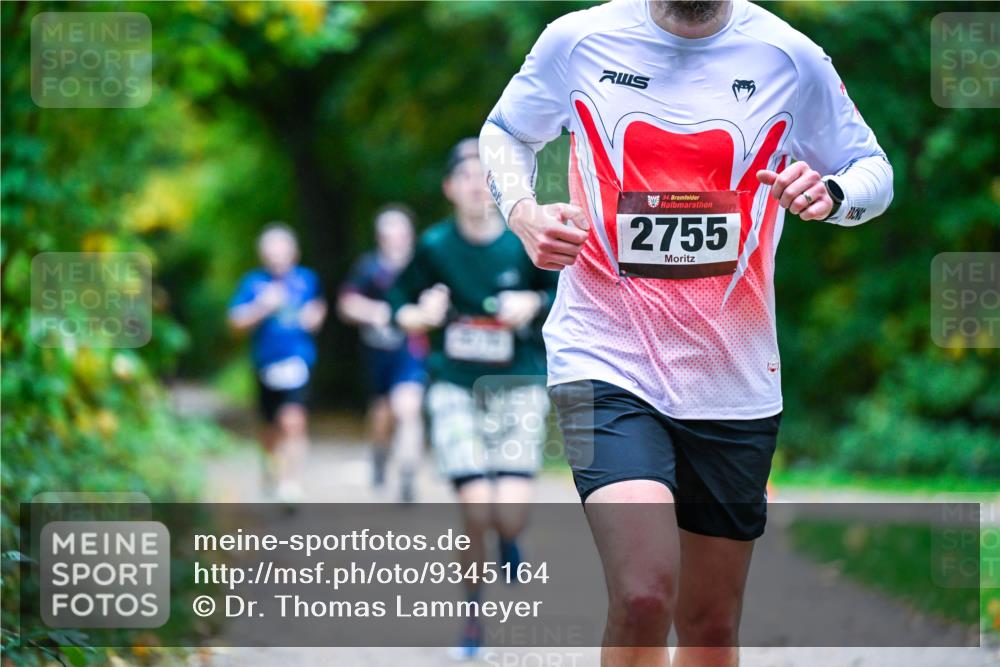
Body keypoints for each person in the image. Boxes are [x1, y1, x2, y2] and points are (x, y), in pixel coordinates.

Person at [480, 1, 893, 665]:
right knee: (643, 595)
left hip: (733, 377)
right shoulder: (579, 40)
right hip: (601, 356)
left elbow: (874, 170)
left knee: (710, 623)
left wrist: (834, 194)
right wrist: (523, 212)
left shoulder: (788, 57)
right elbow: (504, 133)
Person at [387, 138, 558, 659]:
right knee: (475, 506)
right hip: (455, 386)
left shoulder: (523, 242)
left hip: (517, 384)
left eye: (487, 176)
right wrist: (421, 314)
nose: (477, 187)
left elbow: (564, 297)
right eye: (465, 176)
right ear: (449, 188)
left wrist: (532, 301)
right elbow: (398, 305)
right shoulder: (435, 247)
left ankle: (510, 539)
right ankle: (473, 619)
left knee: (508, 514)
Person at [228, 224, 327, 504]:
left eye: (282, 250)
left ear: (294, 252)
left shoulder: (307, 280)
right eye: (271, 251)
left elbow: (318, 307)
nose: (276, 257)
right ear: (263, 255)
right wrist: (262, 306)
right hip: (265, 363)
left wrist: (314, 317)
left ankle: (291, 483)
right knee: (270, 428)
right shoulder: (253, 283)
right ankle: (270, 468)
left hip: (298, 360)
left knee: (294, 420)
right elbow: (235, 322)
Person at [338, 204, 428, 503]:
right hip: (377, 352)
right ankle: (379, 456)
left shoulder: (422, 265)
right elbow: (346, 304)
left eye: (401, 233)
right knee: (382, 415)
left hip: (411, 349)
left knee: (408, 407)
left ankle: (408, 474)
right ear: (380, 237)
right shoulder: (368, 267)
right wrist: (374, 312)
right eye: (389, 234)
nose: (395, 240)